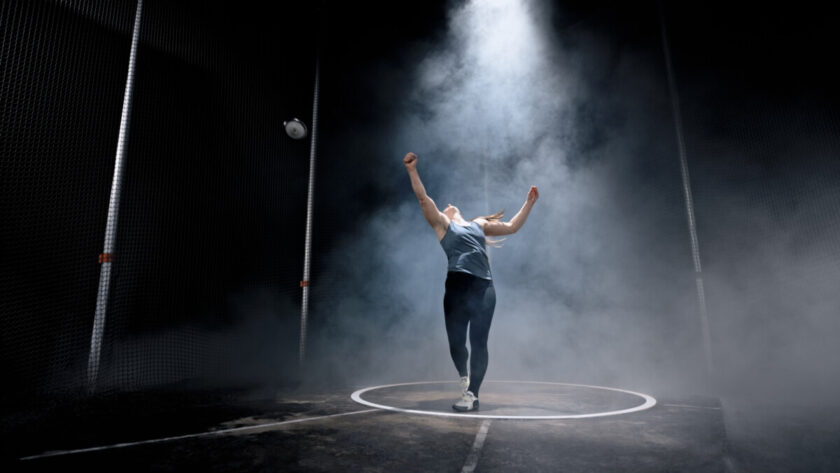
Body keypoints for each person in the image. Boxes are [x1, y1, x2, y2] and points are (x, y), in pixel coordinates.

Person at [403, 151, 539, 412]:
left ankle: (472, 394)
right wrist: (412, 170)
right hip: (456, 286)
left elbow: (511, 227)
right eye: (445, 206)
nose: (449, 204)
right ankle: (463, 377)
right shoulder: (443, 225)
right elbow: (423, 199)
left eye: (450, 205)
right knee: (456, 343)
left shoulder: (478, 224)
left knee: (479, 342)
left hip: (483, 286)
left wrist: (529, 203)